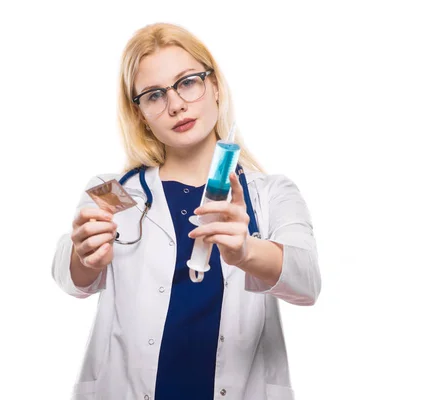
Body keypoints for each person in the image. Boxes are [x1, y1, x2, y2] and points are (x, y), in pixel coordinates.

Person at [52, 22, 321, 400]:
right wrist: (85, 255)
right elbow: (71, 277)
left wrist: (246, 252)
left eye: (188, 82)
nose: (175, 104)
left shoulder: (271, 193)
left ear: (215, 86)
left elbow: (307, 282)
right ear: (141, 113)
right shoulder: (117, 192)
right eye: (153, 95)